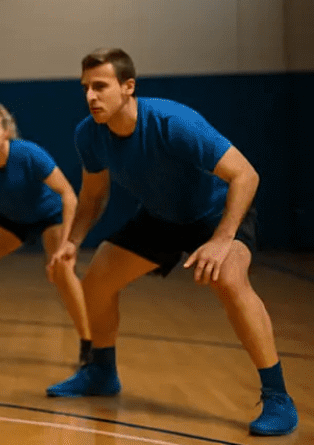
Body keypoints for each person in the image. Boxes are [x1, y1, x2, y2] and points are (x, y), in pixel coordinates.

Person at [45, 48, 297, 437]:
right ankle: (102, 372)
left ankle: (278, 397)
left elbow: (246, 176)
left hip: (216, 214)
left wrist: (222, 239)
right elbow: (93, 195)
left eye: (100, 86)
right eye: (85, 88)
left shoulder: (172, 122)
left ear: (128, 87)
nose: (91, 96)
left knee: (229, 280)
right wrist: (72, 241)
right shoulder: (89, 134)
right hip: (161, 218)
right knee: (96, 282)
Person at [0, 103, 90, 365]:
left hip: (50, 216)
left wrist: (66, 245)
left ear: (6, 132)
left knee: (63, 272)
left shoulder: (28, 154)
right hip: (10, 220)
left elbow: (68, 195)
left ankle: (91, 347)